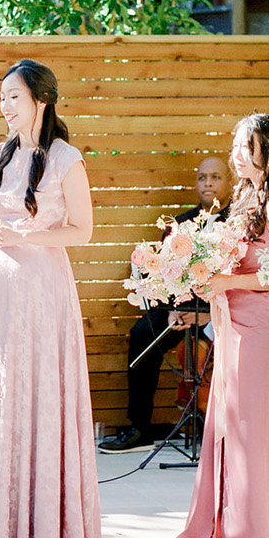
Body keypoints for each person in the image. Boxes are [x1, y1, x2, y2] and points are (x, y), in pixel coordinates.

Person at [0, 59, 102, 538]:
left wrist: (27, 236)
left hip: (43, 286)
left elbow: (82, 231)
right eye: (1, 98)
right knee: (2, 393)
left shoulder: (66, 159)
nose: (5, 106)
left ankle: (42, 527)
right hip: (1, 286)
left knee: (39, 393)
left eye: (13, 96)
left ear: (41, 100)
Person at [176, 113, 269, 538]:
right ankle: (228, 520)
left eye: (245, 146)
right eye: (235, 144)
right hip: (232, 320)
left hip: (262, 323)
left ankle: (259, 528)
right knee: (230, 421)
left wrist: (228, 283)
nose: (236, 153)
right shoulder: (244, 198)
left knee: (254, 426)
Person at [100, 155, 231, 453]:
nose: (208, 183)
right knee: (143, 333)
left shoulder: (238, 222)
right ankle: (140, 430)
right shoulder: (181, 224)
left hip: (220, 311)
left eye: (215, 177)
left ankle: (220, 428)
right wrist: (173, 307)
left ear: (229, 181)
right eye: (202, 177)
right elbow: (164, 274)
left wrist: (207, 314)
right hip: (180, 310)